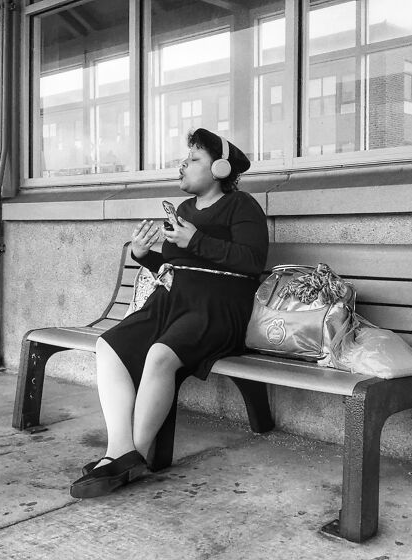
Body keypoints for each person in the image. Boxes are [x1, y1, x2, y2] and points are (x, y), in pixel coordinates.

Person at [70, 128, 268, 498]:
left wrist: (196, 240)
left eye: (194, 159)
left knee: (160, 356)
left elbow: (253, 262)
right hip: (172, 300)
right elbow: (182, 264)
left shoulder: (242, 206)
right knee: (109, 346)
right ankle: (119, 451)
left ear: (221, 169)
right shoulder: (184, 210)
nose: (183, 164)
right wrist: (146, 256)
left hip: (219, 307)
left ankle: (136, 454)